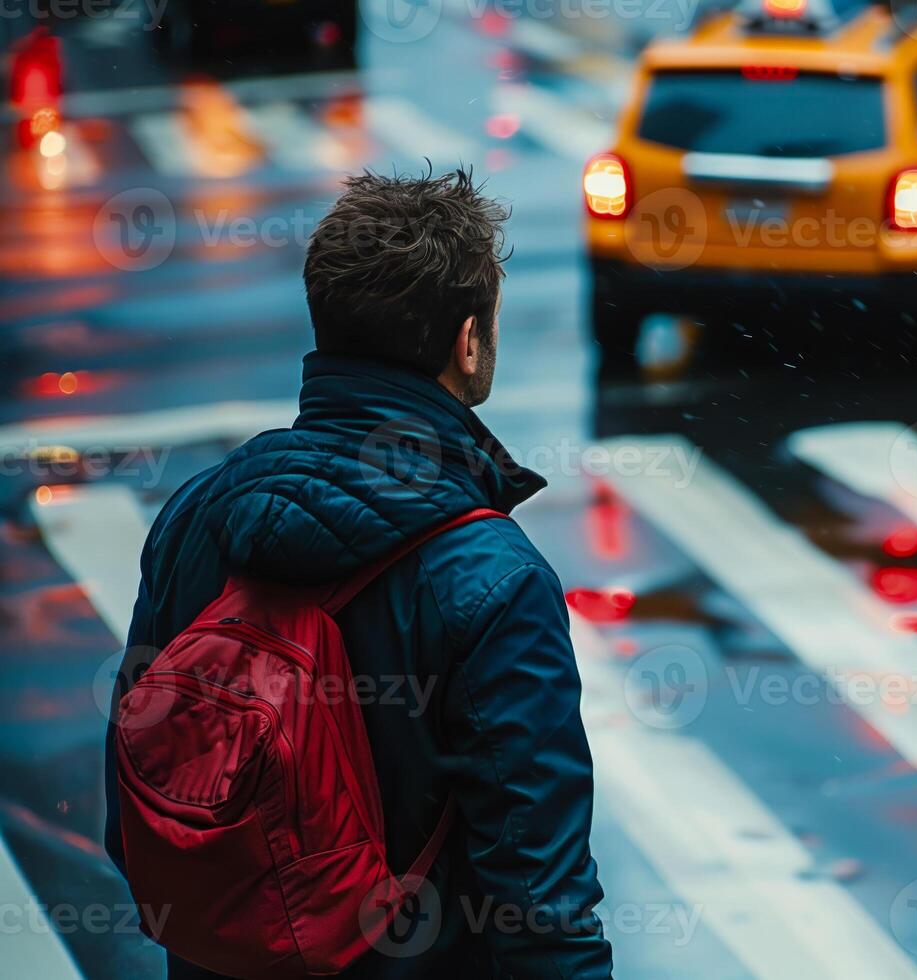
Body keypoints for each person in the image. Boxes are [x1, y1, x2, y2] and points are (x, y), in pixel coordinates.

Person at [104, 170, 612, 978]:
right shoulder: (493, 580)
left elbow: (134, 813)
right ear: (468, 340)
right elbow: (539, 907)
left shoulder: (196, 518)